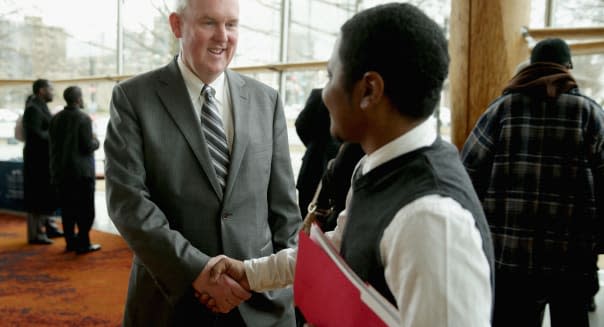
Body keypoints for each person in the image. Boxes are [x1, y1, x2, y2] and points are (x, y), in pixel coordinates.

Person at [205, 4, 495, 326]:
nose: (325, 93)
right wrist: (249, 272)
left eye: (331, 76)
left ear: (369, 90)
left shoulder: (430, 221)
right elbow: (335, 250)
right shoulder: (374, 166)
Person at [103, 0, 301, 325]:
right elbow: (128, 203)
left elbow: (284, 210)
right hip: (173, 302)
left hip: (261, 304)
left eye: (232, 24)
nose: (222, 37)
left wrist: (281, 284)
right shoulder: (133, 98)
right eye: (209, 23)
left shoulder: (267, 100)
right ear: (177, 25)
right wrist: (198, 271)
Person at [461, 38, 604, 326]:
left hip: (511, 258)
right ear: (567, 68)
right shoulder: (588, 113)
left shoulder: (501, 110)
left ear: (531, 66)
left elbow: (467, 172)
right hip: (572, 257)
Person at [49, 86, 101, 254]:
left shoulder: (55, 119)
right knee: (85, 209)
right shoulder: (83, 118)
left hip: (62, 171)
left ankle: (70, 242)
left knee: (68, 209)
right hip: (81, 173)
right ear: (78, 99)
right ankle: (84, 243)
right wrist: (96, 141)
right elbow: (87, 146)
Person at [22, 79, 62, 244]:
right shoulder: (33, 109)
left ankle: (48, 228)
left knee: (45, 196)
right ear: (41, 91)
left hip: (43, 160)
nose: (53, 92)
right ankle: (36, 234)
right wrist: (57, 135)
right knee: (37, 197)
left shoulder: (40, 106)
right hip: (36, 162)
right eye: (50, 89)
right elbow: (37, 135)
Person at [295, 88, 340, 218]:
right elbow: (301, 125)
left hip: (314, 164)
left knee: (309, 215)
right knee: (309, 214)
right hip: (316, 165)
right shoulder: (320, 94)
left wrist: (313, 145)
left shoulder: (318, 94)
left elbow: (301, 125)